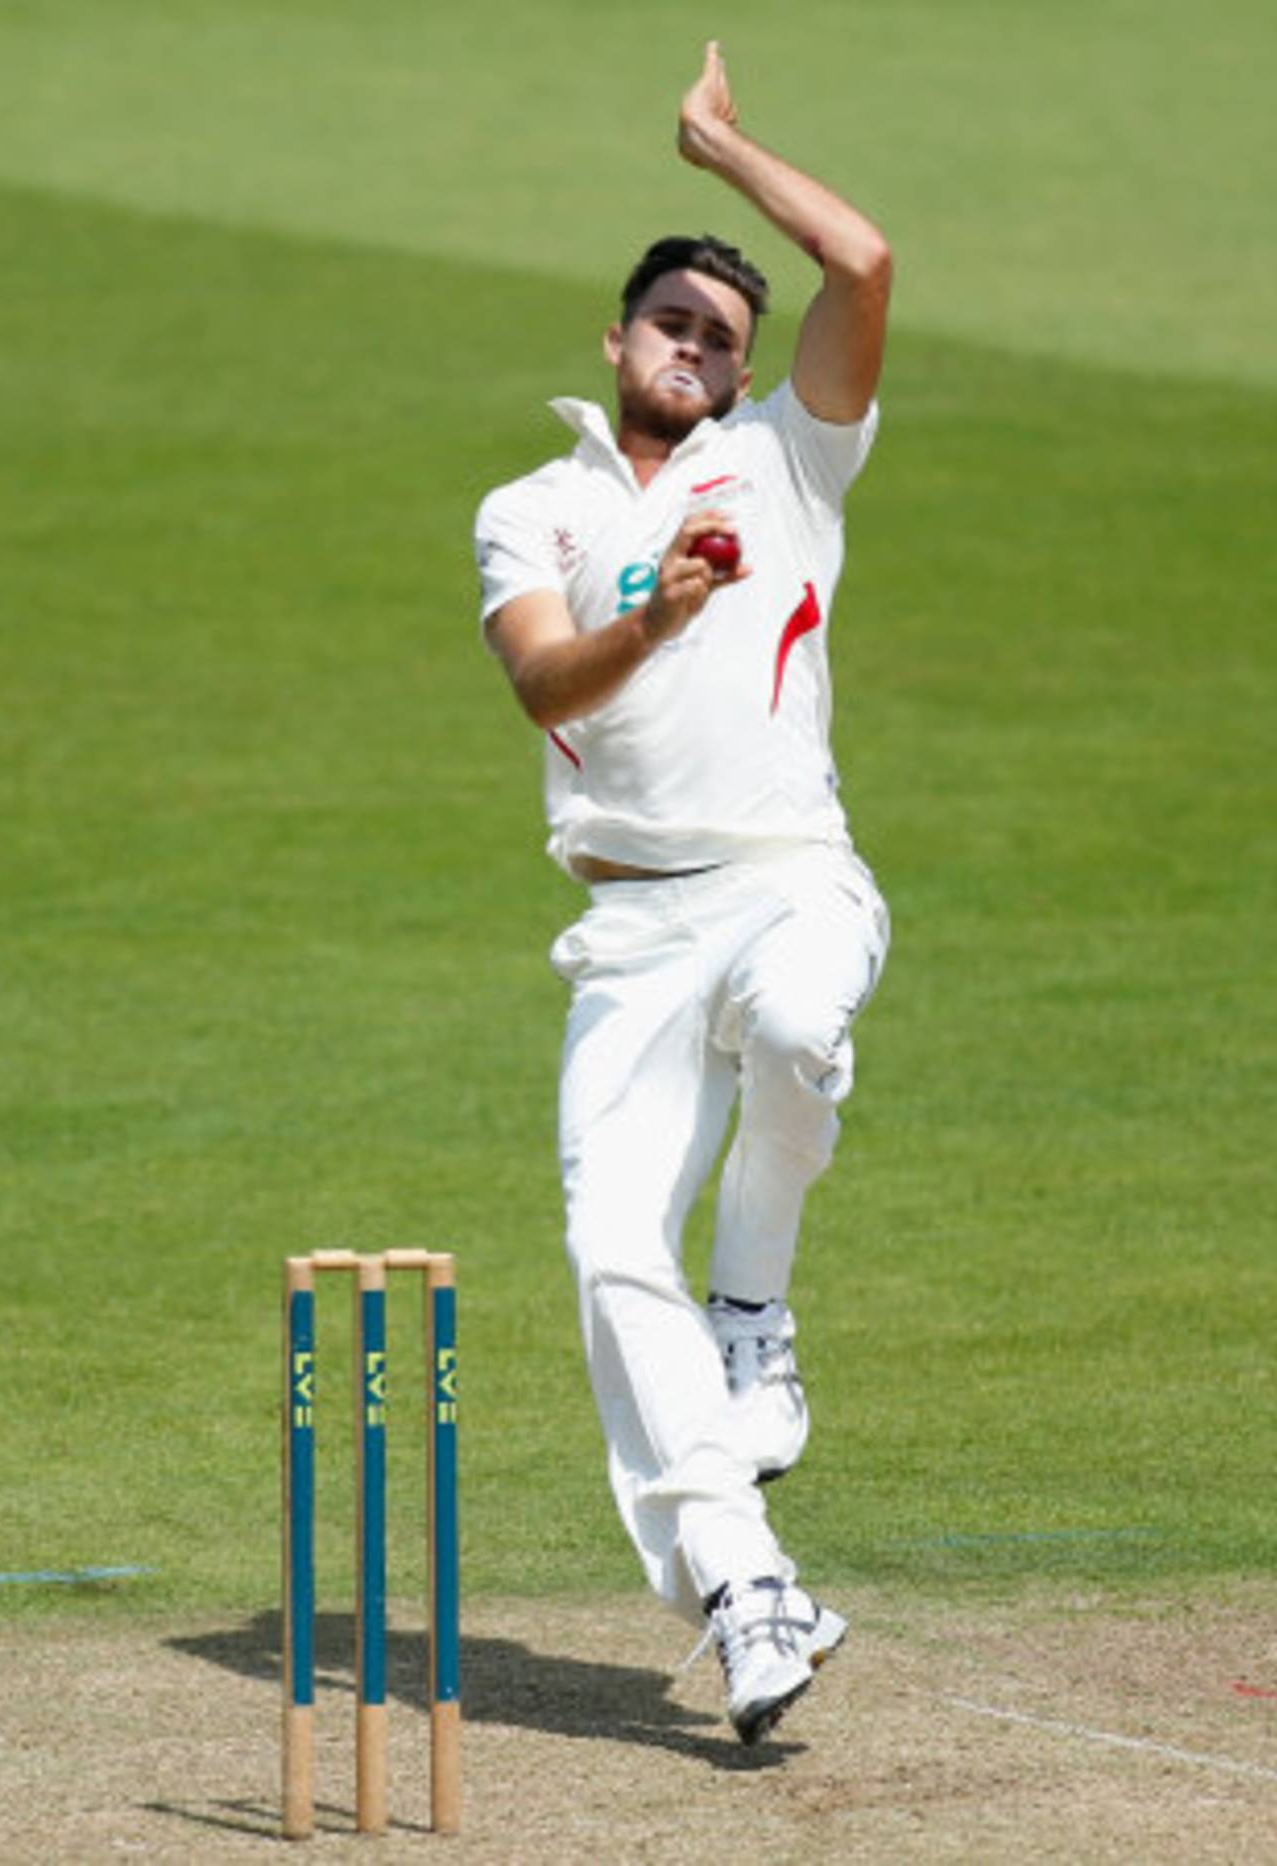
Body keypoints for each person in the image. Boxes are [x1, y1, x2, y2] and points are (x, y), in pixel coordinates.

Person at [474, 42, 892, 1745]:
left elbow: (862, 261)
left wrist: (720, 151)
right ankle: (744, 1583)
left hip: (791, 876)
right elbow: (542, 684)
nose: (697, 350)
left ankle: (757, 1311)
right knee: (601, 1246)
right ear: (617, 338)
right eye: (673, 323)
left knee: (796, 1023)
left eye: (722, 337)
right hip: (630, 928)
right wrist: (657, 615)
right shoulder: (533, 507)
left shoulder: (792, 460)